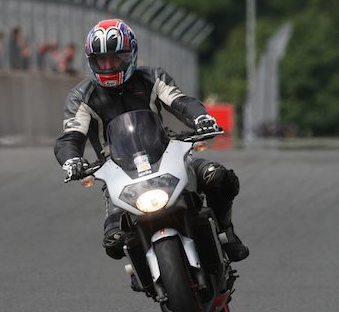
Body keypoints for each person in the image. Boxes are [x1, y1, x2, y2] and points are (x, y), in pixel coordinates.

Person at [54, 18, 249, 262]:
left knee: (217, 176)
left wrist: (201, 118)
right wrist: (71, 160)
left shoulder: (153, 77)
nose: (108, 65)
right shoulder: (81, 97)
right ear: (91, 61)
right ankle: (140, 269)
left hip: (165, 155)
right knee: (114, 239)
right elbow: (70, 137)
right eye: (101, 59)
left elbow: (181, 102)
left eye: (115, 58)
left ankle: (226, 231)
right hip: (117, 171)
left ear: (131, 55)